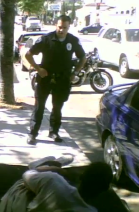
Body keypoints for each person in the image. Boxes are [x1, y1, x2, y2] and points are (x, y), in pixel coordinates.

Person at [25, 15, 86, 145]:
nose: (61, 30)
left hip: (63, 80)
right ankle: (33, 133)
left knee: (57, 107)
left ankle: (54, 132)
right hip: (45, 78)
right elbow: (28, 54)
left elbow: (83, 58)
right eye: (59, 27)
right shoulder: (46, 39)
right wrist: (38, 69)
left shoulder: (73, 40)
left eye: (64, 27)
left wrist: (75, 73)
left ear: (69, 27)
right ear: (56, 25)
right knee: (39, 107)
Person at [0, 158, 113, 212]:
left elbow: (27, 175)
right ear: (105, 189)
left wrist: (58, 171)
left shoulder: (53, 180)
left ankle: (46, 165)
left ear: (81, 176)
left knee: (24, 184)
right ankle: (54, 163)